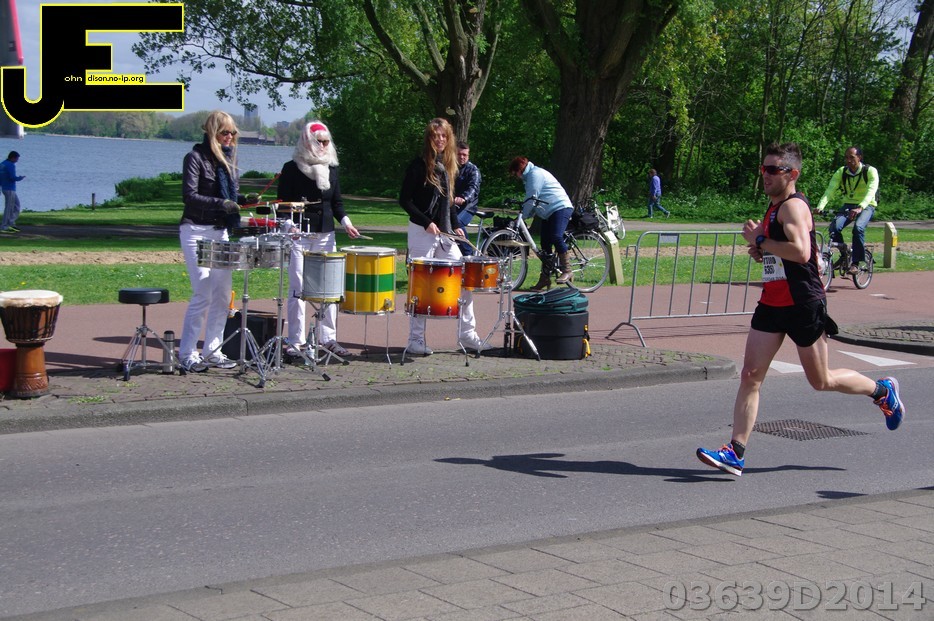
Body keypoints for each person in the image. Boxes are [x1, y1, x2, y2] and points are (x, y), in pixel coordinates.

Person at [696, 142, 904, 477]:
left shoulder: (792, 207)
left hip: (802, 303)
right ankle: (735, 452)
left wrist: (760, 240)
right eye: (763, 168)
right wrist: (763, 252)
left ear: (792, 174)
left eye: (772, 170)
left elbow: (802, 251)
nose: (765, 175)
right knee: (750, 376)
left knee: (821, 380)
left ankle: (883, 392)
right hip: (772, 302)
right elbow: (783, 253)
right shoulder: (774, 206)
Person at [400, 118, 490, 355]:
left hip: (445, 233)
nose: (439, 140)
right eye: (435, 135)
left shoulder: (449, 165)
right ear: (429, 138)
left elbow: (447, 202)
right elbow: (405, 200)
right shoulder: (418, 165)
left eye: (443, 136)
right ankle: (415, 340)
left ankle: (467, 335)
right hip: (421, 231)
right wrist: (426, 222)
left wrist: (456, 226)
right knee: (420, 286)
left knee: (464, 277)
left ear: (448, 139)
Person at [276, 121, 359, 358]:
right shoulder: (291, 168)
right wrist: (290, 226)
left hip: (325, 233)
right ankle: (296, 340)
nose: (323, 146)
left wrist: (346, 222)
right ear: (307, 141)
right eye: (318, 142)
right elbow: (282, 204)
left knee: (328, 288)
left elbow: (336, 203)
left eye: (326, 142)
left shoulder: (331, 168)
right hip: (299, 234)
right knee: (298, 287)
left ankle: (328, 338)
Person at [178, 111, 244, 373]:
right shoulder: (195, 157)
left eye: (232, 133)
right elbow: (189, 196)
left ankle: (213, 350)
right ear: (212, 133)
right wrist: (222, 203)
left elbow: (231, 196)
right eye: (224, 132)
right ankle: (187, 353)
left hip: (220, 231)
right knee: (203, 292)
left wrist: (241, 201)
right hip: (196, 230)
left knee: (223, 295)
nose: (229, 137)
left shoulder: (229, 160)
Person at [507, 156, 574, 291]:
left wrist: (523, 216)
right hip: (549, 212)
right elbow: (534, 202)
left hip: (560, 207)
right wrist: (527, 213)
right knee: (545, 246)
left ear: (519, 170)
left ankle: (567, 270)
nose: (516, 177)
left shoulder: (535, 174)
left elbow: (532, 198)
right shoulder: (529, 177)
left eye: (515, 174)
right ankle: (545, 278)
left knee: (556, 236)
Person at [815, 147, 879, 275]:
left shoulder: (870, 171)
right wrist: (820, 206)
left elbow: (871, 191)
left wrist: (860, 207)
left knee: (858, 228)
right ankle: (844, 255)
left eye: (852, 157)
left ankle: (856, 263)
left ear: (859, 157)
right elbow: (830, 190)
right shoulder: (841, 172)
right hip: (849, 204)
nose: (848, 160)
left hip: (867, 205)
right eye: (846, 157)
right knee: (834, 228)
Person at [453, 141, 481, 255]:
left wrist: (464, 197)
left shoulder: (473, 170)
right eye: (459, 154)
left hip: (468, 206)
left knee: (456, 221)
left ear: (468, 155)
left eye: (464, 155)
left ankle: (468, 252)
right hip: (452, 204)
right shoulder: (450, 168)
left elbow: (473, 187)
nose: (462, 157)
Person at [1, 151, 25, 234]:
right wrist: (20, 178)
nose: (17, 160)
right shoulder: (10, 165)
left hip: (5, 188)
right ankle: (4, 226)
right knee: (9, 208)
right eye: (17, 158)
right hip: (9, 189)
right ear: (13, 158)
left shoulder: (2, 164)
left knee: (17, 206)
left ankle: (11, 222)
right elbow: (12, 177)